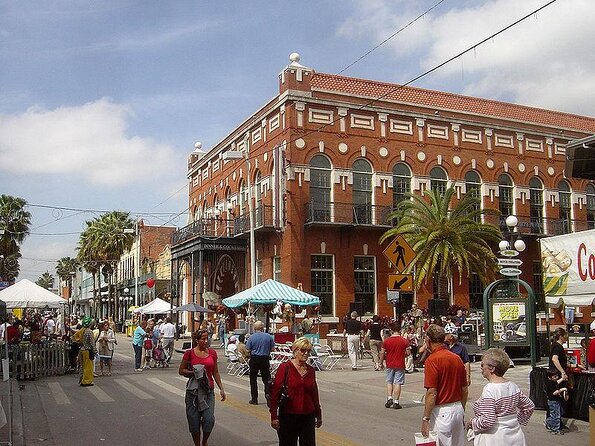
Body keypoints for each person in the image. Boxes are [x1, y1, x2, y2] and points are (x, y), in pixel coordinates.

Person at [466, 348, 534, 444]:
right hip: (515, 435)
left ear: (492, 368)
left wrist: (472, 423)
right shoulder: (513, 386)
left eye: (482, 365)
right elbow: (529, 406)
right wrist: (515, 421)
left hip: (495, 438)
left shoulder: (490, 389)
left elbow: (488, 420)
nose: (481, 367)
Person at [420, 324, 468, 446]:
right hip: (457, 408)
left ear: (428, 340)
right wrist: (462, 409)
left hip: (442, 411)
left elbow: (432, 392)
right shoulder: (456, 358)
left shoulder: (432, 360)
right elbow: (464, 389)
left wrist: (426, 418)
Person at [269, 337, 322, 446]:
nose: (306, 353)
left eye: (308, 351)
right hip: (289, 415)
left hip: (308, 416)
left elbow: (314, 393)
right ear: (295, 351)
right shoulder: (285, 367)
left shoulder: (311, 370)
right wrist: (274, 416)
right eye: (303, 350)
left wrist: (318, 414)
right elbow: (276, 392)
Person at [179, 329, 226, 446]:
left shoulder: (212, 353)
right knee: (193, 420)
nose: (206, 341)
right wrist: (193, 372)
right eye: (203, 339)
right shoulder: (189, 353)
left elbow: (215, 372)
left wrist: (221, 388)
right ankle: (197, 444)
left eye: (207, 338)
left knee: (209, 419)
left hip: (208, 390)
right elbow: (181, 370)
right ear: (196, 340)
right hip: (193, 392)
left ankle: (204, 441)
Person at [380, 323, 409, 409]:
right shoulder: (404, 341)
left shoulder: (386, 341)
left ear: (391, 331)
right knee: (398, 382)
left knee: (389, 381)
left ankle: (389, 398)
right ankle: (396, 401)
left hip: (389, 363)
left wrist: (381, 362)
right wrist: (403, 355)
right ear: (400, 330)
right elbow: (408, 353)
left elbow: (382, 352)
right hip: (400, 363)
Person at [246, 320, 275, 405]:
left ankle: (254, 399)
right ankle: (268, 394)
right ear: (263, 328)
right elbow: (273, 349)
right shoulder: (269, 337)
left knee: (253, 379)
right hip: (265, 358)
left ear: (255, 328)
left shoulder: (251, 337)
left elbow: (248, 349)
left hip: (255, 358)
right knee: (267, 379)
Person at [544, 368, 569, 435]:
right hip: (553, 402)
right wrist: (562, 389)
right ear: (549, 377)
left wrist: (562, 379)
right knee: (556, 416)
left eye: (557, 376)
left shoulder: (553, 381)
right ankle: (555, 430)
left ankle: (548, 422)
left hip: (555, 401)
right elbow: (554, 393)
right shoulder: (549, 384)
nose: (557, 377)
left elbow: (557, 382)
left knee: (557, 414)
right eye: (555, 376)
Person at [79, 316, 97, 387]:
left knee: (83, 366)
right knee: (88, 367)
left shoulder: (83, 330)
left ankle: (82, 379)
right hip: (87, 350)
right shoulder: (89, 331)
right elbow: (92, 343)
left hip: (82, 350)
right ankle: (86, 381)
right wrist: (95, 351)